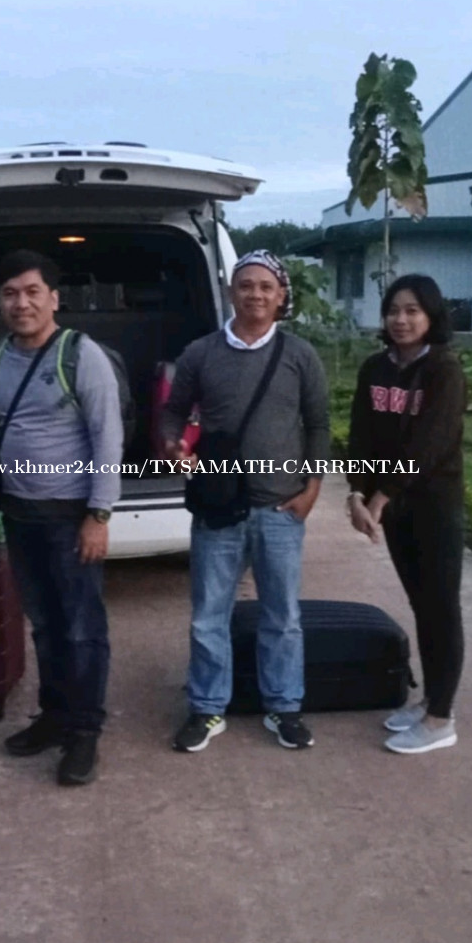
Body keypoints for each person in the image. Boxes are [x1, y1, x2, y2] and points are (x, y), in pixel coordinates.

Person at [159, 249, 330, 753]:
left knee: (283, 617)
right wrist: (173, 445)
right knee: (208, 615)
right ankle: (207, 708)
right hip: (219, 505)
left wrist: (312, 489)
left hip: (282, 508)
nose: (255, 293)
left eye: (266, 286)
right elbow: (173, 411)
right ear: (231, 292)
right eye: (246, 284)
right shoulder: (200, 353)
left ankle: (284, 707)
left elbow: (318, 424)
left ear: (281, 297)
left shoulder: (300, 355)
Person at [0, 249, 123, 786]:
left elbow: (108, 439)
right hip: (20, 514)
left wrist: (98, 515)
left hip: (70, 515)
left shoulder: (81, 355)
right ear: (0, 302)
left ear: (54, 299)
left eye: (33, 292)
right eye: (10, 293)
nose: (22, 303)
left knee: (82, 629)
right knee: (43, 624)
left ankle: (84, 731)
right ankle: (55, 715)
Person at [346, 274, 467, 754]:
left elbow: (428, 445)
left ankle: (441, 719)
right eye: (394, 310)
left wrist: (381, 497)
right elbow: (361, 433)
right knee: (422, 605)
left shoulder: (444, 371)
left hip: (433, 506)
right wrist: (357, 492)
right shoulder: (375, 368)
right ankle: (431, 700)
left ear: (431, 316)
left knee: (441, 607)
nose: (401, 319)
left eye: (412, 310)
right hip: (392, 507)